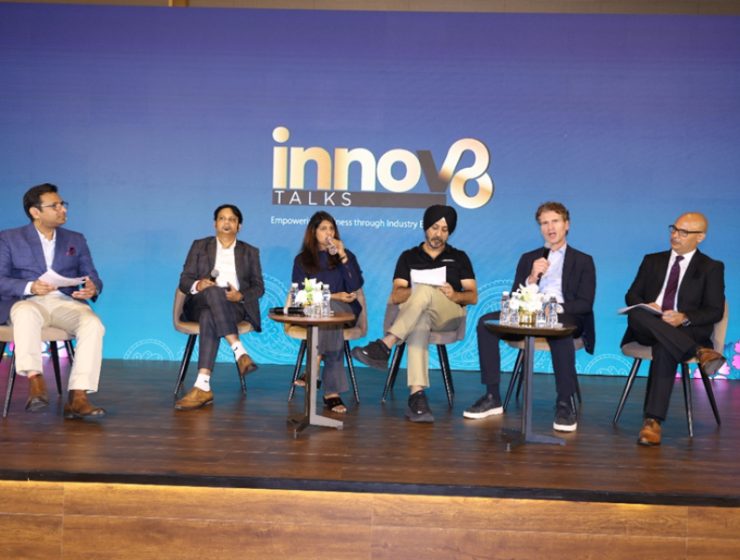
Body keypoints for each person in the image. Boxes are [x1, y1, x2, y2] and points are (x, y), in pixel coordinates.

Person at [464, 201, 595, 433]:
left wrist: (554, 308)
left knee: (560, 331)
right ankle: (492, 396)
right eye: (544, 223)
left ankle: (564, 403)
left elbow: (585, 303)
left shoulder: (583, 260)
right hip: (527, 312)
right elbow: (516, 294)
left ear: (566, 225)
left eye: (555, 221)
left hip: (563, 314)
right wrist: (532, 277)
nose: (550, 227)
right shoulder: (529, 258)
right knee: (485, 323)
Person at [352, 205, 477, 423]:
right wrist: (419, 289)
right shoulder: (408, 257)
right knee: (420, 320)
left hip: (448, 314)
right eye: (434, 227)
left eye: (444, 230)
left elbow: (473, 296)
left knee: (425, 291)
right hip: (419, 314)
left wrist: (455, 294)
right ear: (425, 227)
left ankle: (385, 344)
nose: (438, 234)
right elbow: (397, 295)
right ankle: (417, 397)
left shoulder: (459, 257)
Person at [0, 183, 106, 419]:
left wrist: (91, 288)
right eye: (55, 206)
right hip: (25, 300)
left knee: (93, 324)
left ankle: (78, 396)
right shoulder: (9, 238)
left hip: (63, 302)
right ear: (35, 212)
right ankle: (36, 381)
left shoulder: (75, 239)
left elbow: (93, 275)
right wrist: (30, 286)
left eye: (62, 204)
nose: (62, 210)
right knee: (26, 312)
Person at [622, 212, 725, 446]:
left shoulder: (711, 267)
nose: (675, 235)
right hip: (647, 326)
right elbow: (631, 295)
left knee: (665, 346)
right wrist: (647, 305)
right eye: (674, 229)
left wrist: (684, 317)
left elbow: (714, 311)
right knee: (637, 312)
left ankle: (652, 422)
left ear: (700, 237)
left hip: (684, 330)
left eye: (684, 232)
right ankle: (699, 351)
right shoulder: (652, 260)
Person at [175, 204, 264, 411]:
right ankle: (239, 350)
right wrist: (199, 285)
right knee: (213, 292)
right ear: (215, 223)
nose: (227, 222)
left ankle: (202, 385)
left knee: (209, 316)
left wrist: (240, 295)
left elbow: (259, 287)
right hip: (198, 303)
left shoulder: (250, 252)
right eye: (222, 218)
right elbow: (184, 280)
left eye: (232, 219)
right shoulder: (199, 246)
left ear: (239, 226)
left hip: (234, 305)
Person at [291, 211, 364, 414]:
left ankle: (312, 367)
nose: (329, 233)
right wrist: (333, 296)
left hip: (345, 312)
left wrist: (342, 256)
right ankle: (332, 393)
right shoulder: (302, 260)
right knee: (328, 320)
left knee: (330, 316)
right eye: (324, 228)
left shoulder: (346, 256)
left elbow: (355, 285)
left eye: (332, 228)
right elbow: (301, 294)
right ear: (313, 232)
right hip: (313, 312)